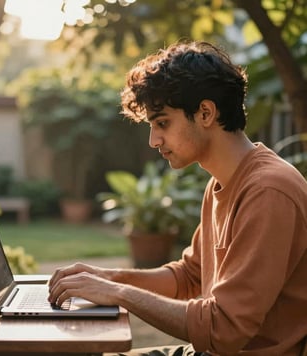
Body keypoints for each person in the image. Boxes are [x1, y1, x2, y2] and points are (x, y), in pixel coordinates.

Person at [48, 40, 307, 355]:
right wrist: (106, 277)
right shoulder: (221, 184)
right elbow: (189, 277)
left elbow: (223, 329)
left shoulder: (268, 191)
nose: (154, 140)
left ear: (205, 113)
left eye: (162, 123)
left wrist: (117, 292)